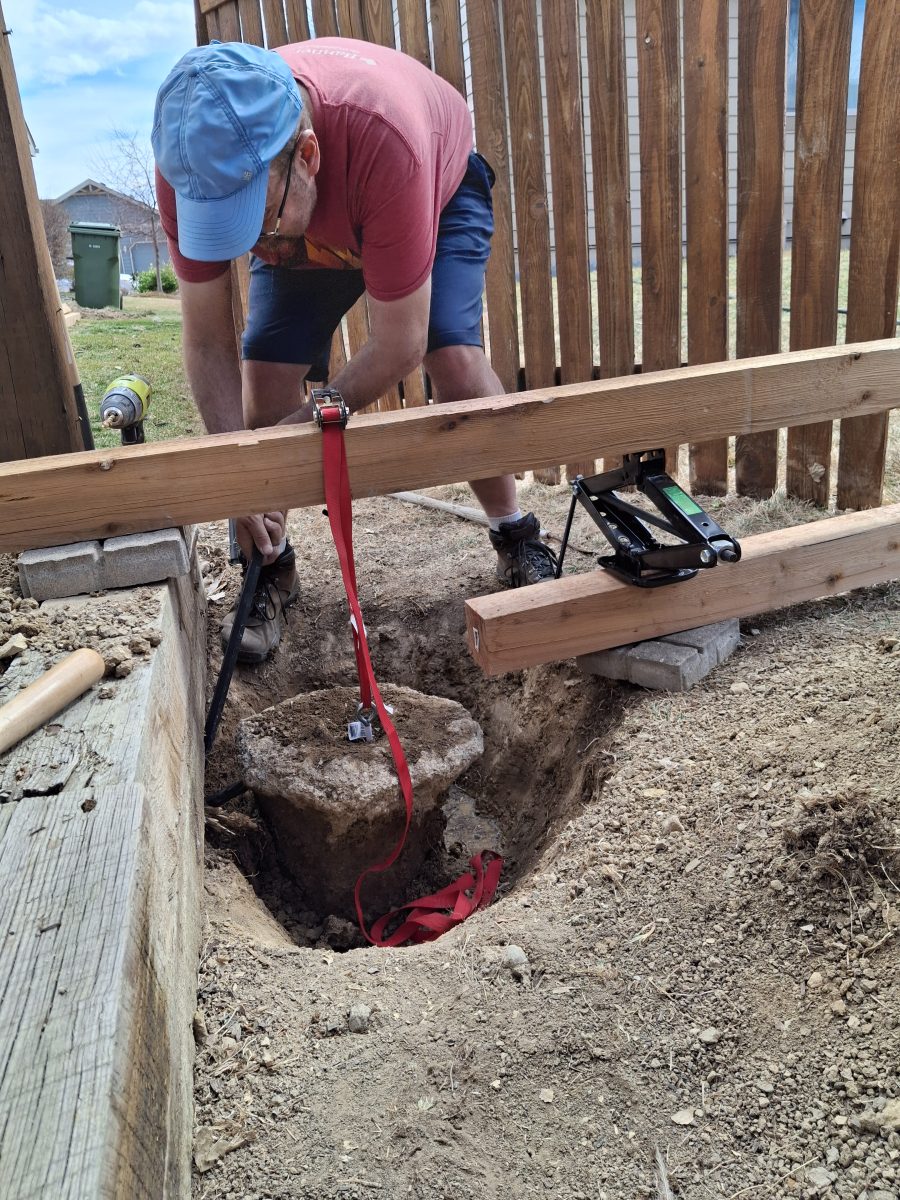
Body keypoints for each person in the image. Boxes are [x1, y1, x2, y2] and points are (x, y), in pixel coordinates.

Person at [152, 37, 556, 662]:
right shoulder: (192, 160)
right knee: (265, 373)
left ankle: (514, 531)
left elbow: (400, 343)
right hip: (313, 203)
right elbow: (207, 342)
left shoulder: (385, 140)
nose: (248, 246)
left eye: (253, 221)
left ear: (307, 155)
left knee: (452, 357)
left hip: (430, 188)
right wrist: (241, 476)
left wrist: (298, 427)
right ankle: (268, 564)